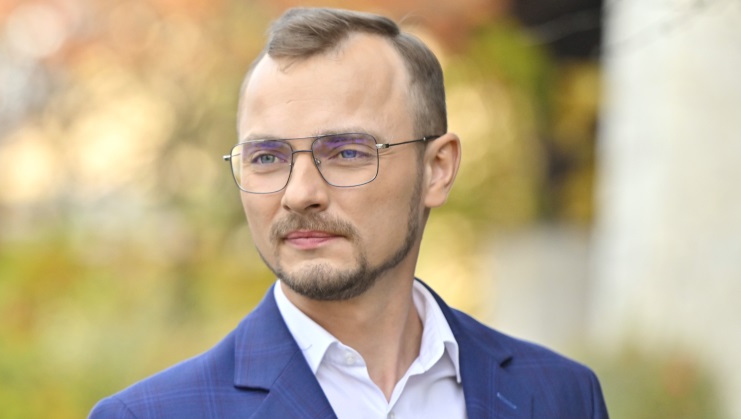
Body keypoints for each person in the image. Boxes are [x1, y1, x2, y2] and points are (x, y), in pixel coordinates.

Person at [90, 7, 608, 418]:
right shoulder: (150, 414)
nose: (299, 194)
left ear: (437, 169)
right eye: (266, 158)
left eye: (346, 152)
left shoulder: (561, 396)